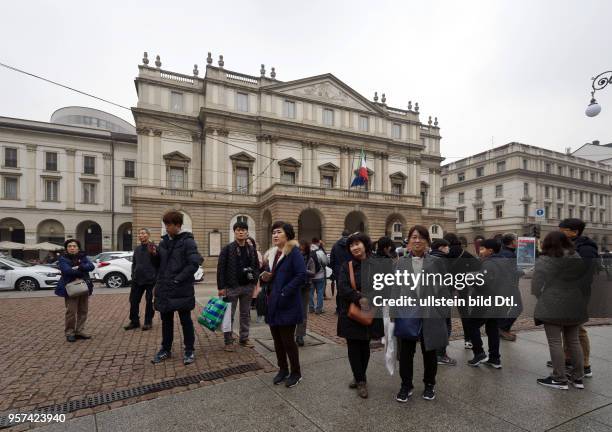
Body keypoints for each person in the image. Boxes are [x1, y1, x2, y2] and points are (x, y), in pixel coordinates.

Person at [395, 225, 450, 403]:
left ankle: (429, 384)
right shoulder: (401, 263)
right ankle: (406, 385)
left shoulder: (436, 262)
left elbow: (445, 288)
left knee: (430, 352)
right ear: (409, 241)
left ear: (427, 241)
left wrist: (442, 310)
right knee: (406, 353)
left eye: (421, 237)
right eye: (413, 237)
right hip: (407, 313)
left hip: (430, 313)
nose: (417, 240)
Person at [532, 231, 590, 390]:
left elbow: (536, 284)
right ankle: (578, 378)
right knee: (574, 340)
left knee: (555, 342)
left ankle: (559, 378)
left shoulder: (545, 259)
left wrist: (541, 295)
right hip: (575, 301)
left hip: (553, 302)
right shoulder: (575, 256)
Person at [151, 211, 203, 366]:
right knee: (166, 321)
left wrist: (177, 279)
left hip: (181, 288)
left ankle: (189, 350)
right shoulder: (163, 242)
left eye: (169, 225)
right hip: (165, 288)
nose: (166, 228)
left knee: (185, 320)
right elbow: (158, 265)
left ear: (178, 225)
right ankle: (165, 349)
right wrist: (154, 255)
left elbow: (193, 264)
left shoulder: (188, 242)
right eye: (165, 224)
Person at [336, 233, 383, 399]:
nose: (355, 247)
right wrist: (359, 298)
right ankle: (361, 381)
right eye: (351, 245)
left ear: (365, 245)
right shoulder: (345, 266)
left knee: (365, 346)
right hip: (351, 313)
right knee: (353, 347)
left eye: (358, 244)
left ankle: (359, 376)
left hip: (371, 312)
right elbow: (342, 287)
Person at [260, 221, 306, 388]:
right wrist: (266, 276)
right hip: (273, 303)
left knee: (288, 341)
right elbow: (277, 275)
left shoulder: (294, 252)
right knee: (277, 341)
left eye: (278, 232)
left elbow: (301, 275)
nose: (275, 235)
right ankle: (282, 370)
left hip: (288, 304)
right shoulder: (274, 254)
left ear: (287, 234)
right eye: (273, 232)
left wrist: (285, 292)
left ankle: (296, 372)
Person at [557, 218, 599, 378]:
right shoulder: (567, 245)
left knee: (578, 329)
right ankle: (569, 358)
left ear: (574, 232)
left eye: (562, 231)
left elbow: (584, 273)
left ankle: (585, 364)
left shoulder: (586, 248)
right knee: (566, 328)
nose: (559, 233)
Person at [217, 221, 260, 351]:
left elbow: (257, 267)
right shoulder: (227, 249)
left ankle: (244, 338)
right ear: (234, 232)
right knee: (228, 315)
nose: (241, 232)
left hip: (247, 286)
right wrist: (221, 287)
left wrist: (254, 280)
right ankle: (228, 340)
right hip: (232, 287)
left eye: (243, 230)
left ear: (247, 232)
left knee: (245, 314)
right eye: (238, 230)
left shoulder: (251, 249)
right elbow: (221, 269)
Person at [467, 239, 505, 369]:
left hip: (485, 301)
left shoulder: (489, 263)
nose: (480, 251)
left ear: (490, 250)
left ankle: (479, 354)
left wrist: (472, 280)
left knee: (471, 325)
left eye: (482, 249)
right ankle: (495, 358)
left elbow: (483, 283)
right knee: (492, 329)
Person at [443, 233, 481, 350]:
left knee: (445, 314)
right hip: (462, 287)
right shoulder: (464, 253)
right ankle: (468, 340)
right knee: (465, 314)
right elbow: (478, 265)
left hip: (447, 287)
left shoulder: (445, 253)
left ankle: (443, 342)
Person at [55, 239, 95, 342]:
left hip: (83, 286)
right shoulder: (63, 258)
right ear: (66, 248)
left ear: (78, 248)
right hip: (70, 288)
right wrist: (82, 270)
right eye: (69, 246)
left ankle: (80, 331)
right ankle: (70, 332)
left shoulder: (83, 257)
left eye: (74, 246)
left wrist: (80, 267)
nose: (72, 248)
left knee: (83, 310)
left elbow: (91, 266)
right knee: (71, 312)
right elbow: (67, 271)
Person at [429, 239, 456, 366]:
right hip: (442, 297)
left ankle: (435, 353)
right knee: (445, 325)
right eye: (447, 247)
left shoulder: (427, 258)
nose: (448, 249)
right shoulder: (443, 260)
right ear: (441, 248)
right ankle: (440, 354)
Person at [124, 228, 158, 331]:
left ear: (148, 235)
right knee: (133, 301)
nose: (140, 235)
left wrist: (154, 252)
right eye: (139, 234)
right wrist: (133, 274)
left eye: (143, 233)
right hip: (137, 279)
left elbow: (157, 262)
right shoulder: (137, 249)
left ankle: (148, 322)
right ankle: (134, 321)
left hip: (150, 280)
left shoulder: (153, 247)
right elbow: (134, 263)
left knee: (149, 302)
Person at [497, 233, 523, 341]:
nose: (518, 241)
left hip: (504, 285)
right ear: (512, 242)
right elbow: (510, 272)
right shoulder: (508, 254)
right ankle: (502, 328)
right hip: (509, 286)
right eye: (516, 240)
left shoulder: (505, 252)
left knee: (505, 308)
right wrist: (522, 272)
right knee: (517, 307)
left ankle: (501, 329)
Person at [296, 240, 316, 346]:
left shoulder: (310, 259)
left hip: (305, 288)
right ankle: (290, 333)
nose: (301, 251)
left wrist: (303, 270)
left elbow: (313, 272)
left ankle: (300, 335)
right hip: (294, 287)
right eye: (299, 249)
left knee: (303, 312)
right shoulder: (293, 259)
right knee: (292, 311)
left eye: (302, 249)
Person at [330, 230, 352, 314]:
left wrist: (334, 269)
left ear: (342, 235)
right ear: (349, 235)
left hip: (338, 271)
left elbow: (331, 260)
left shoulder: (335, 245)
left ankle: (339, 309)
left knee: (339, 290)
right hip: (350, 270)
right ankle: (348, 307)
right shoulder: (351, 245)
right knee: (350, 289)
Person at [310, 237, 329, 314]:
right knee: (320, 292)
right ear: (318, 243)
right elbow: (326, 263)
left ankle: (311, 308)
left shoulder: (307, 250)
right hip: (320, 275)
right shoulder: (320, 252)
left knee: (310, 293)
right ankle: (319, 309)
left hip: (310, 276)